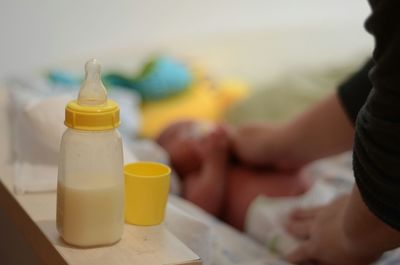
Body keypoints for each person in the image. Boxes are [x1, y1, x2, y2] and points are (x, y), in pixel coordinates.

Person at [232, 1, 400, 264]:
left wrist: (351, 236)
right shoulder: (198, 174)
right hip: (310, 221)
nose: (201, 134)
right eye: (177, 136)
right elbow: (393, 58)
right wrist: (281, 142)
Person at [156, 120, 311, 230]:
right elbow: (201, 211)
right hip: (279, 220)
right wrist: (215, 163)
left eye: (194, 124)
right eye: (177, 133)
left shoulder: (234, 156)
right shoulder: (193, 179)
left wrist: (237, 140)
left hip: (311, 192)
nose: (193, 129)